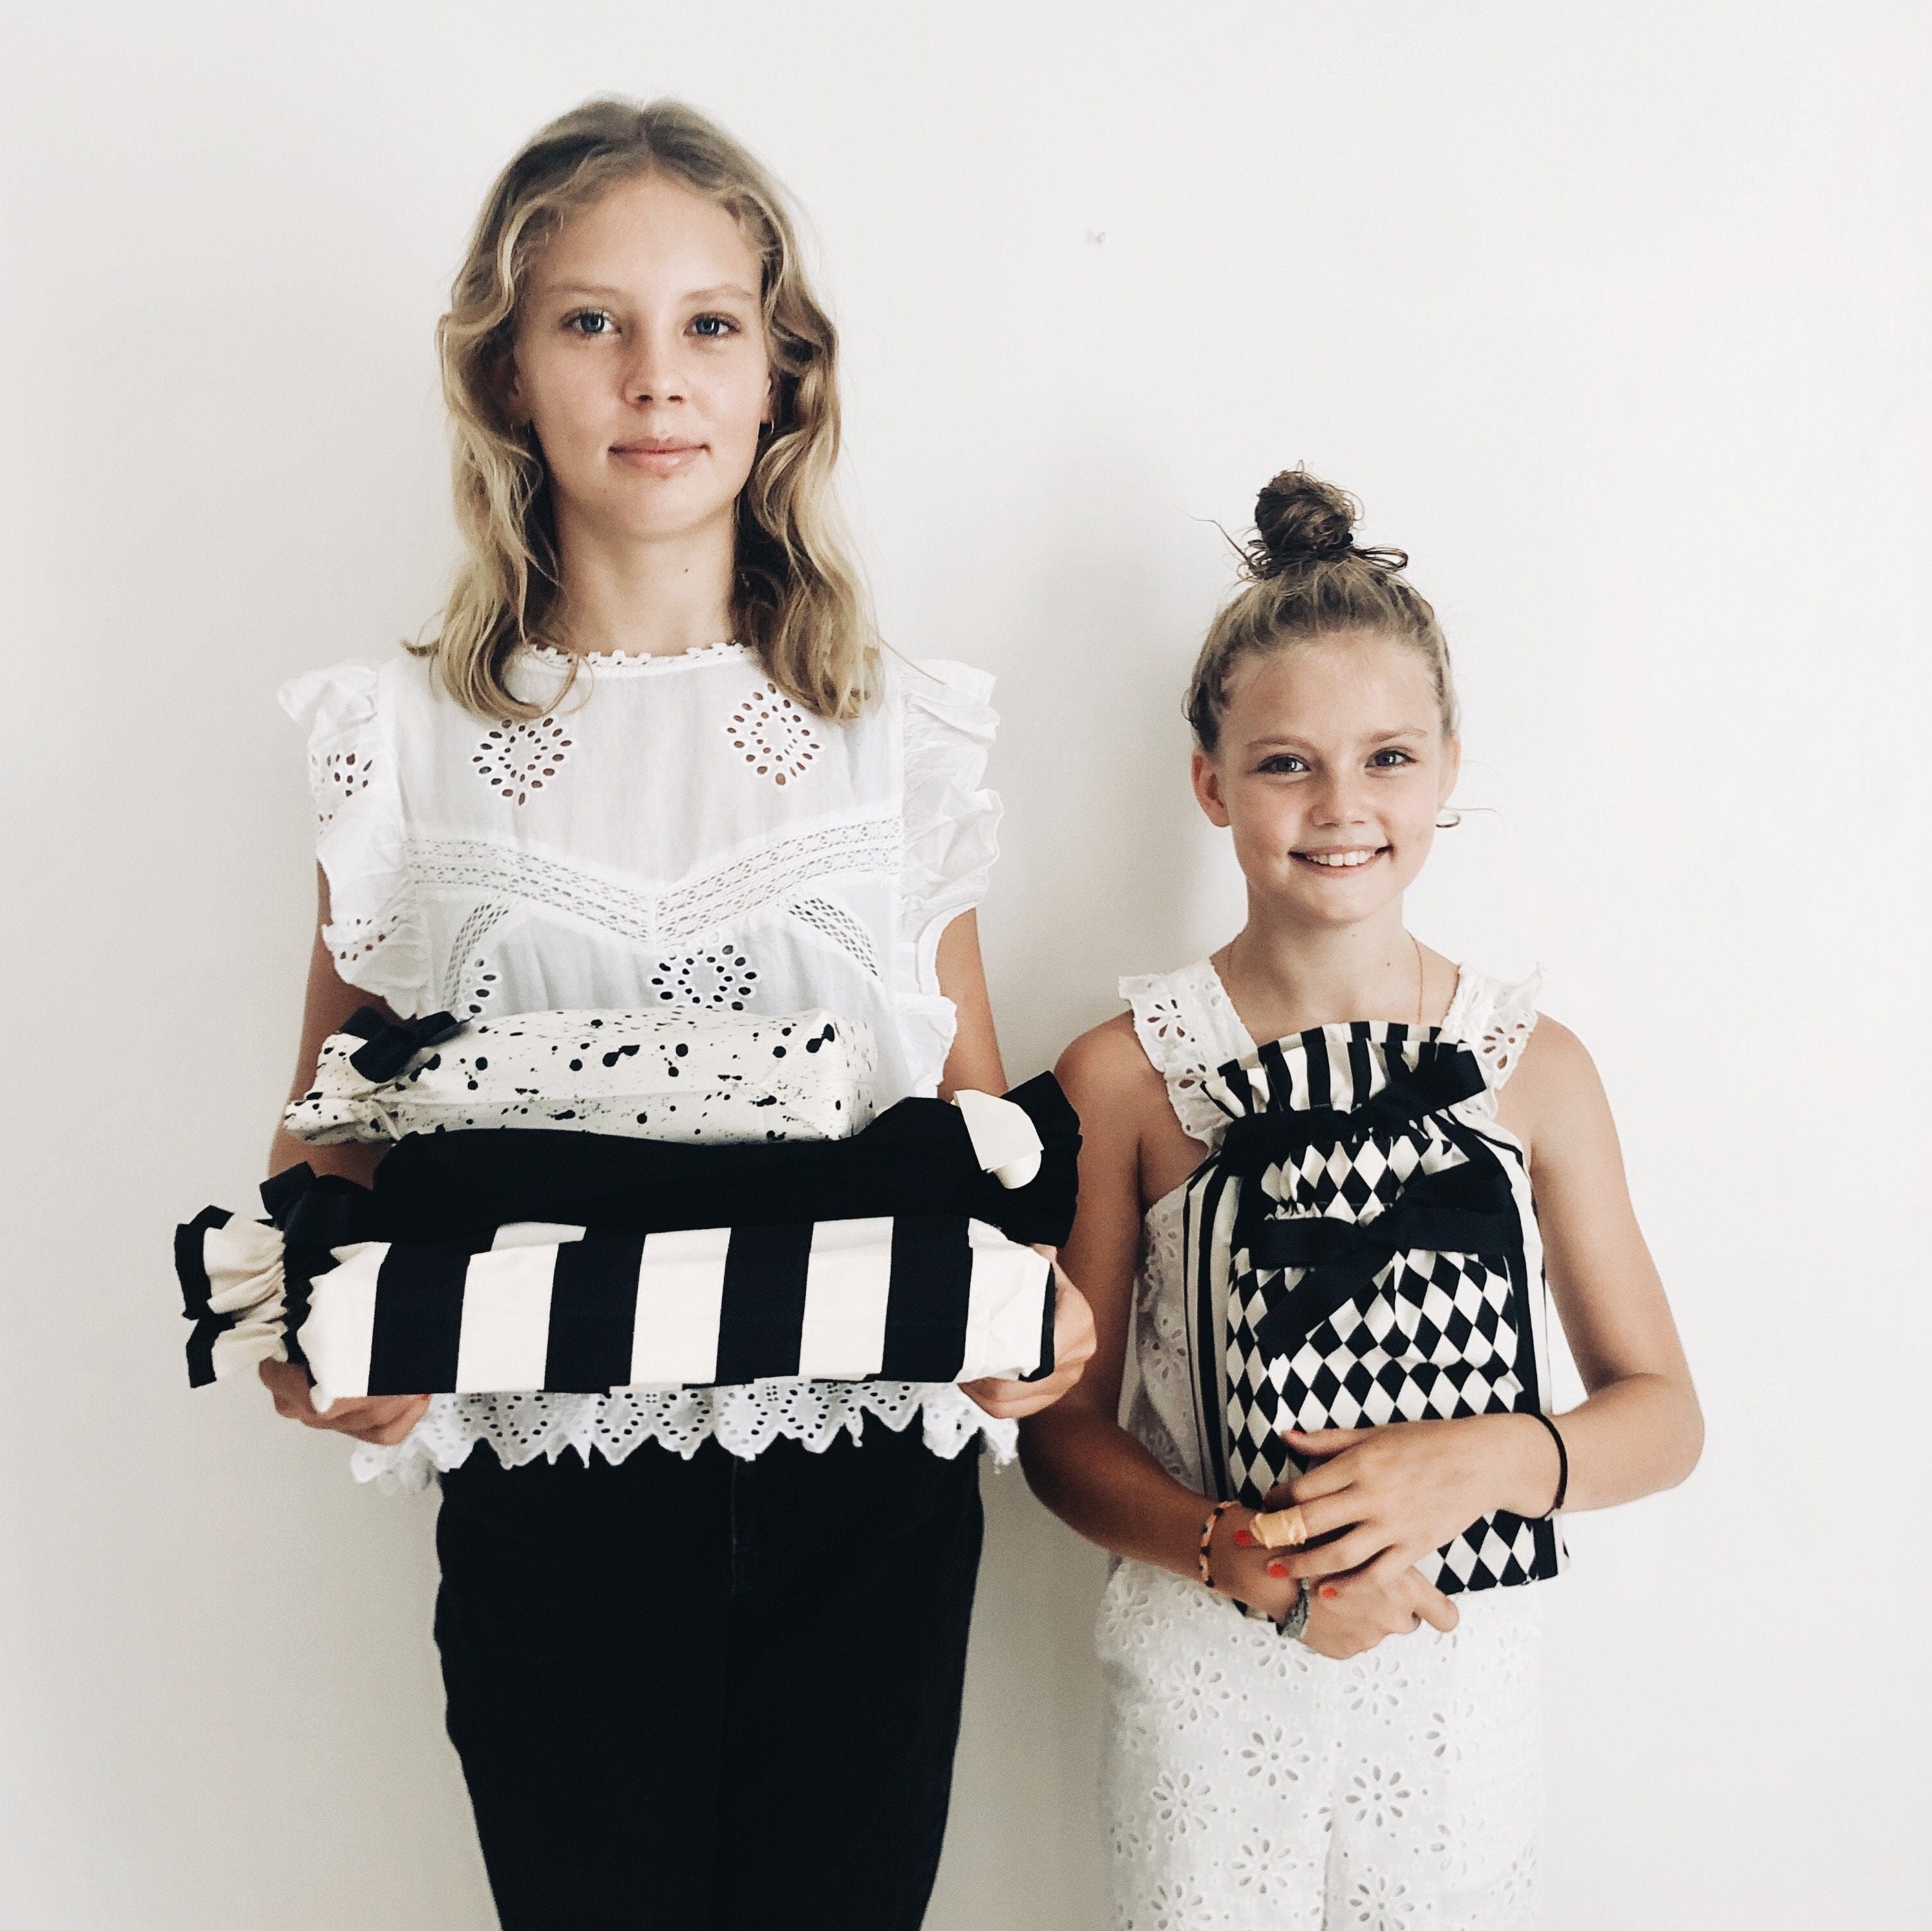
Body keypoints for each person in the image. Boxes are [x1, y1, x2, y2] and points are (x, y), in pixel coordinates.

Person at [255, 96, 1094, 1931]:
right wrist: (328, 1347)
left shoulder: (899, 735)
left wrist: (1040, 1313)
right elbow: (323, 1140)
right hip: (554, 1492)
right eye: (592, 322)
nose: (656, 378)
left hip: (865, 1475)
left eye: (710, 322)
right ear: (507, 371)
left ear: (784, 374)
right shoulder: (396, 746)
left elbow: (976, 1127)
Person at [1021, 468, 1701, 1927]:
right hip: (1208, 1674)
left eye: (1387, 758)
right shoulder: (1128, 1074)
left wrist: (1481, 1464)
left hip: (1456, 1681)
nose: (1341, 808)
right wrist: (1243, 1558)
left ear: (1448, 769)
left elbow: (1662, 1413)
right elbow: (1058, 1438)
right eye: (1285, 765)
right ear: (1210, 782)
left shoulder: (1535, 1070)